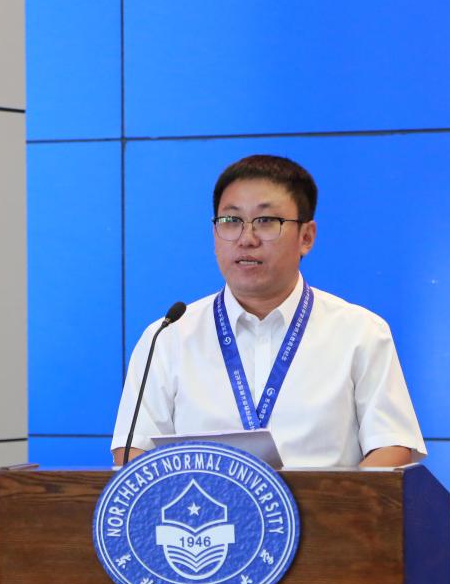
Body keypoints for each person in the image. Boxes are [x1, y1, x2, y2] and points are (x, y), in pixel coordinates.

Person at [111, 154, 425, 468]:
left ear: (306, 237)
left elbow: (392, 447)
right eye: (231, 221)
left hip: (326, 502)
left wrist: (332, 498)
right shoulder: (168, 336)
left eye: (266, 221)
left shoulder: (360, 332)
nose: (246, 239)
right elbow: (133, 451)